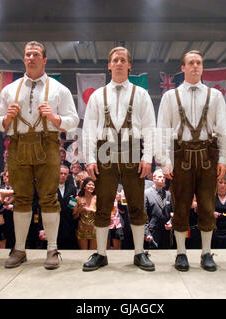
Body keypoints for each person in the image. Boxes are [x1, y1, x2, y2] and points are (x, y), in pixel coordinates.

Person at [0, 41, 79, 269]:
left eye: (36, 54)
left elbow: (73, 119)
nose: (31, 57)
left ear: (44, 59)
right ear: (24, 59)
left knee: (49, 198)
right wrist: (6, 120)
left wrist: (55, 119)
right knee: (21, 198)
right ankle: (19, 249)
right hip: (18, 145)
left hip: (48, 144)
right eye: (27, 54)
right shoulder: (10, 89)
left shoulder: (59, 89)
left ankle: (52, 249)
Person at [82, 46, 156, 271]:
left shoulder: (140, 94)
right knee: (103, 205)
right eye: (115, 60)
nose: (119, 63)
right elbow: (88, 128)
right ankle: (101, 253)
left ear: (129, 65)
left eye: (123, 60)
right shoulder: (97, 95)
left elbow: (150, 128)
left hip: (133, 150)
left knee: (136, 204)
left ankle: (139, 253)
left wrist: (147, 157)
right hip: (104, 151)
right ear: (109, 65)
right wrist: (89, 159)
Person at [157, 49, 226, 272]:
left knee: (208, 206)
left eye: (198, 62)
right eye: (191, 62)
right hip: (181, 155)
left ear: (202, 67)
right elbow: (162, 130)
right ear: (183, 67)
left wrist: (224, 157)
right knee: (180, 205)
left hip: (208, 155)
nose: (195, 66)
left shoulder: (215, 96)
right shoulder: (170, 96)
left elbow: (222, 128)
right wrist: (163, 160)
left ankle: (206, 253)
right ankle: (181, 253)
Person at [144, 169, 173, 249]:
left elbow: (173, 212)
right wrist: (146, 233)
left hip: (166, 234)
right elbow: (143, 215)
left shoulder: (168, 195)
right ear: (154, 178)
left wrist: (171, 223)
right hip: (152, 233)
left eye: (164, 177)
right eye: (160, 177)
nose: (162, 179)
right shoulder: (147, 193)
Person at [56, 165, 78, 249]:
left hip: (67, 221)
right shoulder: (51, 187)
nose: (63, 175)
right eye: (61, 173)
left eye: (65, 174)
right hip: (54, 219)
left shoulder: (72, 188)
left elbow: (73, 202)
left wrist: (69, 211)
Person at [72, 177, 97, 250]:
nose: (91, 186)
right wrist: (80, 209)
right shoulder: (75, 198)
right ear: (84, 186)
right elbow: (72, 215)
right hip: (81, 229)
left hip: (95, 229)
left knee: (93, 253)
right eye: (89, 184)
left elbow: (101, 214)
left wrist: (90, 210)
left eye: (93, 185)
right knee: (83, 253)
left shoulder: (97, 197)